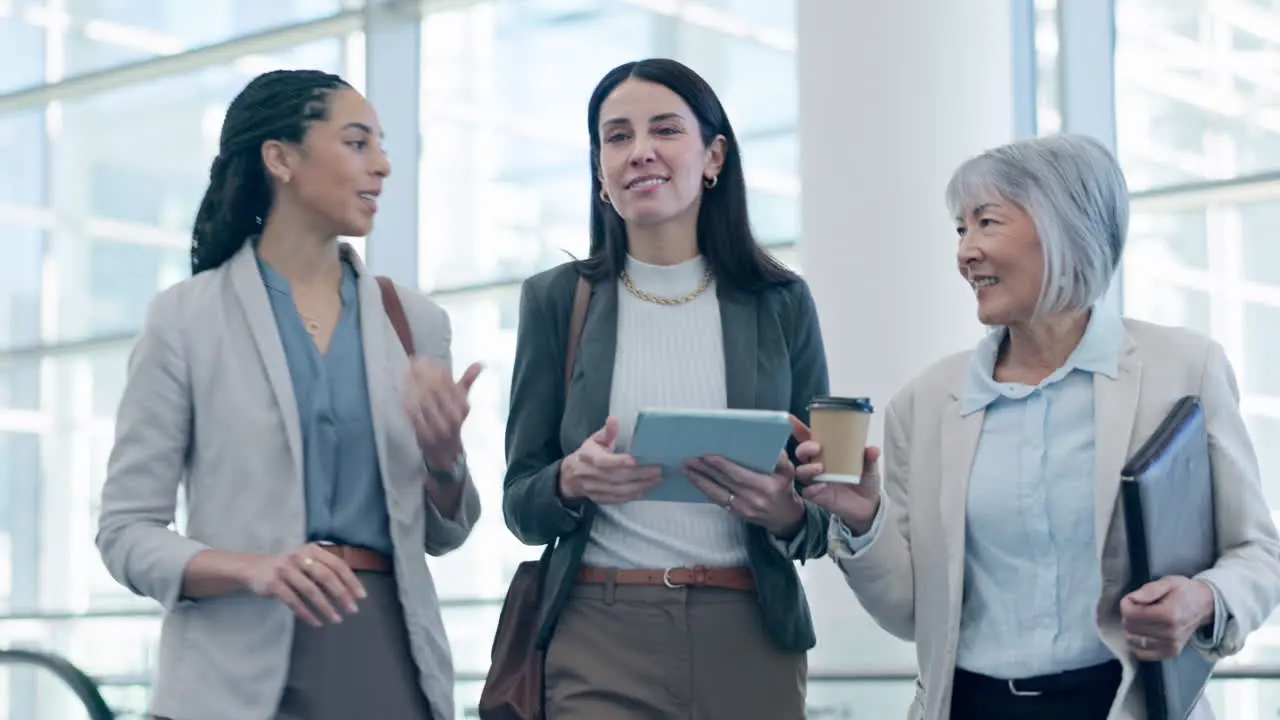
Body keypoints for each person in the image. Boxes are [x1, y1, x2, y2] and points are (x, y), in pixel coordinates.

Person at [798, 133, 1280, 720]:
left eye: (987, 223)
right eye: (960, 229)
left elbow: (1256, 552)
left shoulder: (1182, 369)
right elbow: (909, 614)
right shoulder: (923, 405)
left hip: (1123, 705)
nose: (965, 251)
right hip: (973, 706)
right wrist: (862, 521)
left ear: (1064, 226)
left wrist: (1205, 598)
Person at [95, 69, 482, 720]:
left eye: (382, 145)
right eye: (357, 143)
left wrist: (443, 455)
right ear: (280, 158)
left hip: (384, 659)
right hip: (230, 670)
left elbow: (445, 533)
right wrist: (253, 569)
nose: (383, 166)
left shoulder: (413, 323)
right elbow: (126, 532)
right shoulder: (186, 319)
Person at [501, 58, 830, 719]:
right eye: (616, 136)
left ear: (713, 157)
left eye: (665, 130)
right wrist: (570, 479)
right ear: (600, 169)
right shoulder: (556, 301)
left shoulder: (781, 303)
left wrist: (786, 511)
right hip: (599, 630)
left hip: (750, 630)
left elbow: (824, 508)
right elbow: (520, 504)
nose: (639, 151)